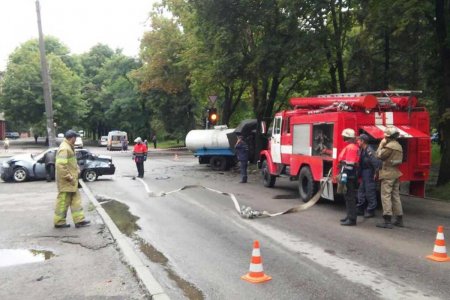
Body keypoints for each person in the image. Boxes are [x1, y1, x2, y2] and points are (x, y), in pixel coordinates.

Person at [54, 130, 90, 229]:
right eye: (75, 138)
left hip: (72, 181)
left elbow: (71, 163)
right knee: (63, 202)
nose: (76, 140)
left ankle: (79, 220)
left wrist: (77, 169)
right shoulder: (65, 148)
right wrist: (68, 177)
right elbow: (60, 165)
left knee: (76, 201)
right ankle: (59, 222)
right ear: (72, 138)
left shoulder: (69, 146)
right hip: (67, 181)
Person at [376, 126, 404, 229]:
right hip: (396, 173)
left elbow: (379, 155)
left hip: (388, 174)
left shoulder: (389, 146)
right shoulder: (399, 146)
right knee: (396, 196)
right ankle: (399, 219)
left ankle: (387, 220)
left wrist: (380, 145)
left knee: (385, 196)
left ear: (388, 136)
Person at [338, 128, 360, 226]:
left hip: (349, 175)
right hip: (350, 175)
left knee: (350, 197)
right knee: (348, 197)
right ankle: (349, 216)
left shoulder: (351, 147)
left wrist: (344, 174)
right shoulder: (352, 146)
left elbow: (350, 164)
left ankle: (351, 219)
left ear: (347, 137)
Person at [356, 134, 381, 218]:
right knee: (361, 191)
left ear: (363, 141)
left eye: (359, 140)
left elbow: (376, 163)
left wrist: (375, 173)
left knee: (370, 192)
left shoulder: (369, 150)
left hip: (369, 173)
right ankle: (360, 209)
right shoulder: (362, 149)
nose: (357, 142)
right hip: (364, 173)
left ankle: (371, 210)